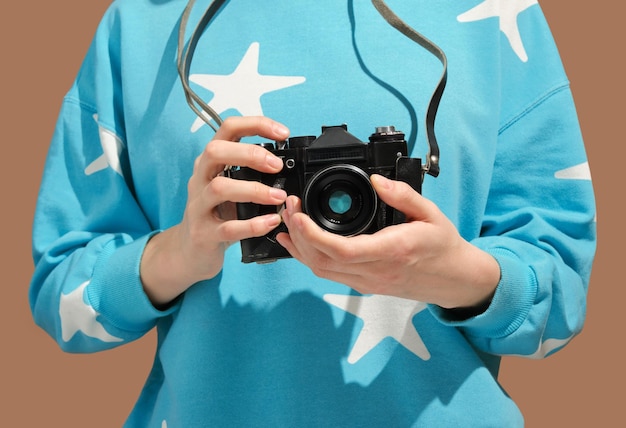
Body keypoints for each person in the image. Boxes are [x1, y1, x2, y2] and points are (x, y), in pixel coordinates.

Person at [29, 0, 596, 426]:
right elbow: (63, 298)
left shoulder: (494, 12)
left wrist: (455, 276)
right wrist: (177, 255)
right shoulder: (139, 20)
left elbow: (560, 304)